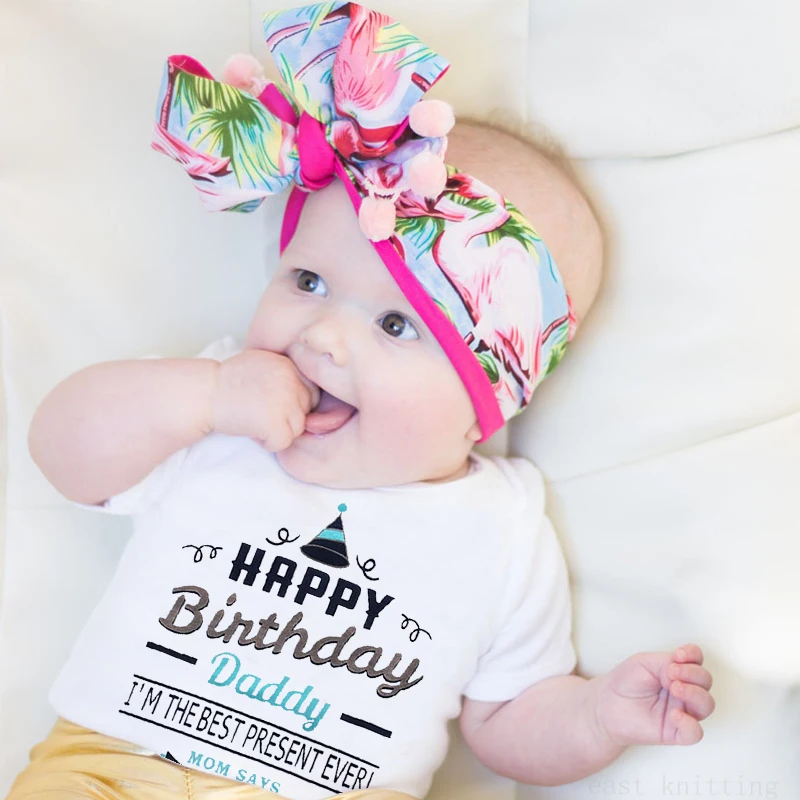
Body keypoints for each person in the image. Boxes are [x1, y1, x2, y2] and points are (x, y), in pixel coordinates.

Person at [8, 4, 713, 800]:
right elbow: (62, 450)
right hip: (109, 767)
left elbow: (508, 720)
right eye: (308, 281)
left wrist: (596, 719)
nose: (324, 338)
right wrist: (204, 395)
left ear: (489, 399)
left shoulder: (501, 530)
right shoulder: (209, 409)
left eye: (395, 324)